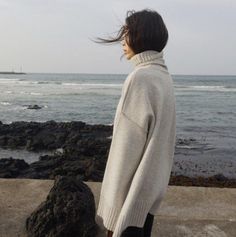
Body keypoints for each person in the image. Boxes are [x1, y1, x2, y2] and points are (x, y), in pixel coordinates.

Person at [94, 8, 176, 237]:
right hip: (149, 195)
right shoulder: (163, 76)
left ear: (141, 35)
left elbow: (125, 151)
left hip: (129, 203)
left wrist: (113, 213)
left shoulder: (140, 78)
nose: (123, 40)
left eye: (127, 32)